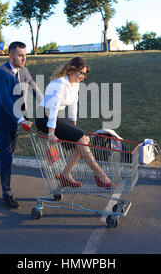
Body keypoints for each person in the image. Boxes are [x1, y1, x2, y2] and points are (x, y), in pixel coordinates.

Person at [0, 41, 43, 209]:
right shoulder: (1, 72)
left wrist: (47, 104)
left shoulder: (24, 71)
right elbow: (5, 99)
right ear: (11, 56)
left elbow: (34, 88)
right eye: (20, 55)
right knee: (7, 156)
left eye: (25, 55)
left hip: (17, 121)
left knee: (5, 153)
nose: (24, 59)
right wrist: (21, 119)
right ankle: (8, 193)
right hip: (2, 121)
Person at [35, 57, 115, 189]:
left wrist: (74, 126)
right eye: (81, 72)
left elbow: (73, 105)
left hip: (56, 116)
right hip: (44, 117)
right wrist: (51, 133)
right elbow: (53, 107)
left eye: (84, 74)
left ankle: (66, 175)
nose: (82, 76)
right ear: (72, 69)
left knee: (82, 139)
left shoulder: (75, 84)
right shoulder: (59, 83)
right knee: (81, 139)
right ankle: (101, 176)